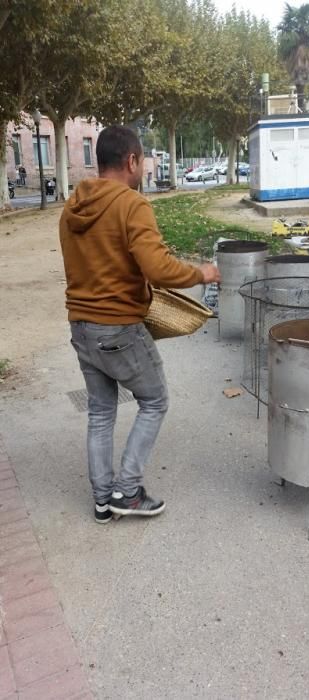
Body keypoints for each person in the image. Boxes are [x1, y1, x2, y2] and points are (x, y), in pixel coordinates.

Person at [59, 125, 220, 524]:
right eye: (142, 160)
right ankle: (127, 492)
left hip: (80, 325)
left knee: (100, 412)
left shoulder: (70, 208)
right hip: (118, 327)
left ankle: (102, 501)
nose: (143, 168)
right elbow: (158, 268)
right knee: (154, 400)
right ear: (131, 160)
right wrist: (201, 272)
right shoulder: (132, 204)